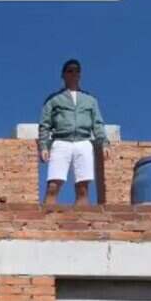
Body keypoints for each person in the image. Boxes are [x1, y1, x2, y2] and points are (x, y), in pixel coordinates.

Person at [38, 59, 110, 206]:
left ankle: (82, 219)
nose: (73, 73)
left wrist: (104, 143)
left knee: (83, 188)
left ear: (80, 75)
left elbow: (98, 124)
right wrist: (44, 146)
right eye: (70, 71)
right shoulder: (54, 99)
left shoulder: (90, 100)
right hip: (61, 142)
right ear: (63, 75)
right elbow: (44, 124)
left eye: (77, 71)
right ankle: (49, 218)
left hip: (83, 142)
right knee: (53, 186)